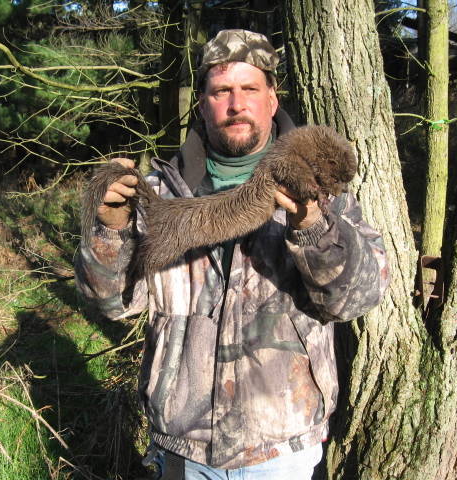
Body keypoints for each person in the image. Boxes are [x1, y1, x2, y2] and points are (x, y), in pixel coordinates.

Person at [75, 29, 389, 480]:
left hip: (282, 452)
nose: (237, 104)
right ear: (202, 104)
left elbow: (356, 299)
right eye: (221, 90)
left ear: (272, 100)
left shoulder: (321, 192)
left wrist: (313, 227)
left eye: (250, 89)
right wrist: (110, 228)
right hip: (182, 448)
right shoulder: (160, 193)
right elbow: (112, 303)